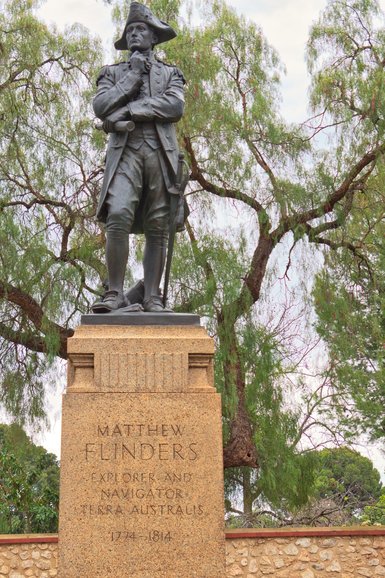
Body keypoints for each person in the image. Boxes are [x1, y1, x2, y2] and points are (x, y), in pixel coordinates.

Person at [92, 2, 185, 313]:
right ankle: (114, 294)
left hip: (160, 154)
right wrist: (131, 80)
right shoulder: (113, 73)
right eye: (129, 30)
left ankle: (152, 298)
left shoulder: (171, 74)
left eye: (140, 29)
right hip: (126, 154)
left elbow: (174, 107)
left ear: (153, 37)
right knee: (118, 214)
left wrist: (131, 110)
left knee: (159, 225)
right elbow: (101, 107)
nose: (134, 34)